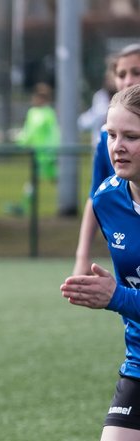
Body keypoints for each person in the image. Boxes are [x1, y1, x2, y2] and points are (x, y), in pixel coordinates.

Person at [61, 83, 140, 441]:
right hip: (139, 360)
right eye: (111, 135)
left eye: (130, 136)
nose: (117, 147)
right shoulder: (110, 198)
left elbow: (126, 294)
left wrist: (118, 297)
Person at [73, 46, 140, 275]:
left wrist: (114, 296)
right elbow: (95, 196)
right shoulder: (107, 139)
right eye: (121, 74)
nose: (128, 80)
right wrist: (82, 256)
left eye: (136, 72)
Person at [8, 82, 60, 215]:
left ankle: (67, 204)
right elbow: (28, 132)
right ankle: (24, 206)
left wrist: (53, 152)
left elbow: (54, 134)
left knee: (58, 179)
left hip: (48, 155)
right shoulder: (32, 113)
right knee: (34, 180)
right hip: (37, 155)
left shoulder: (49, 113)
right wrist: (20, 142)